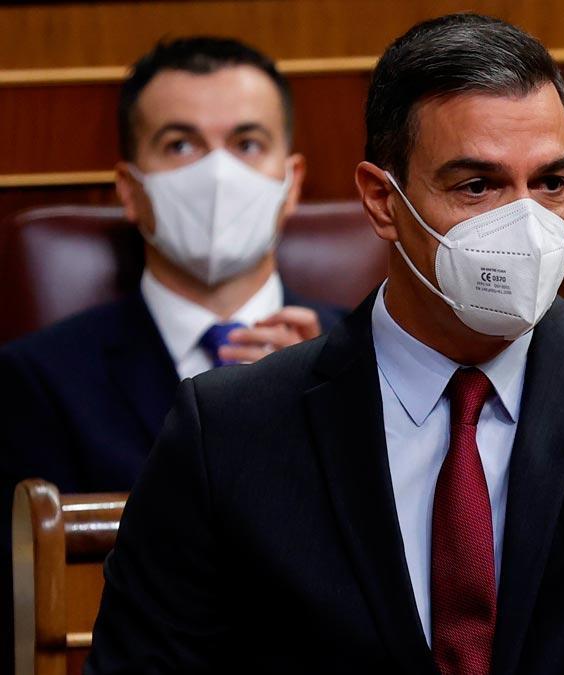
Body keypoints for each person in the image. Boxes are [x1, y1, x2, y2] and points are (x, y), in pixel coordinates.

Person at [85, 14, 564, 674]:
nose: (524, 223)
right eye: (478, 186)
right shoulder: (230, 426)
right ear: (382, 200)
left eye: (551, 182)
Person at [0, 38, 343, 674]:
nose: (217, 176)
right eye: (180, 145)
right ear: (130, 189)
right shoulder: (38, 380)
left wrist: (327, 406)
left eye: (246, 144)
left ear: (290, 183)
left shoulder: (369, 357)